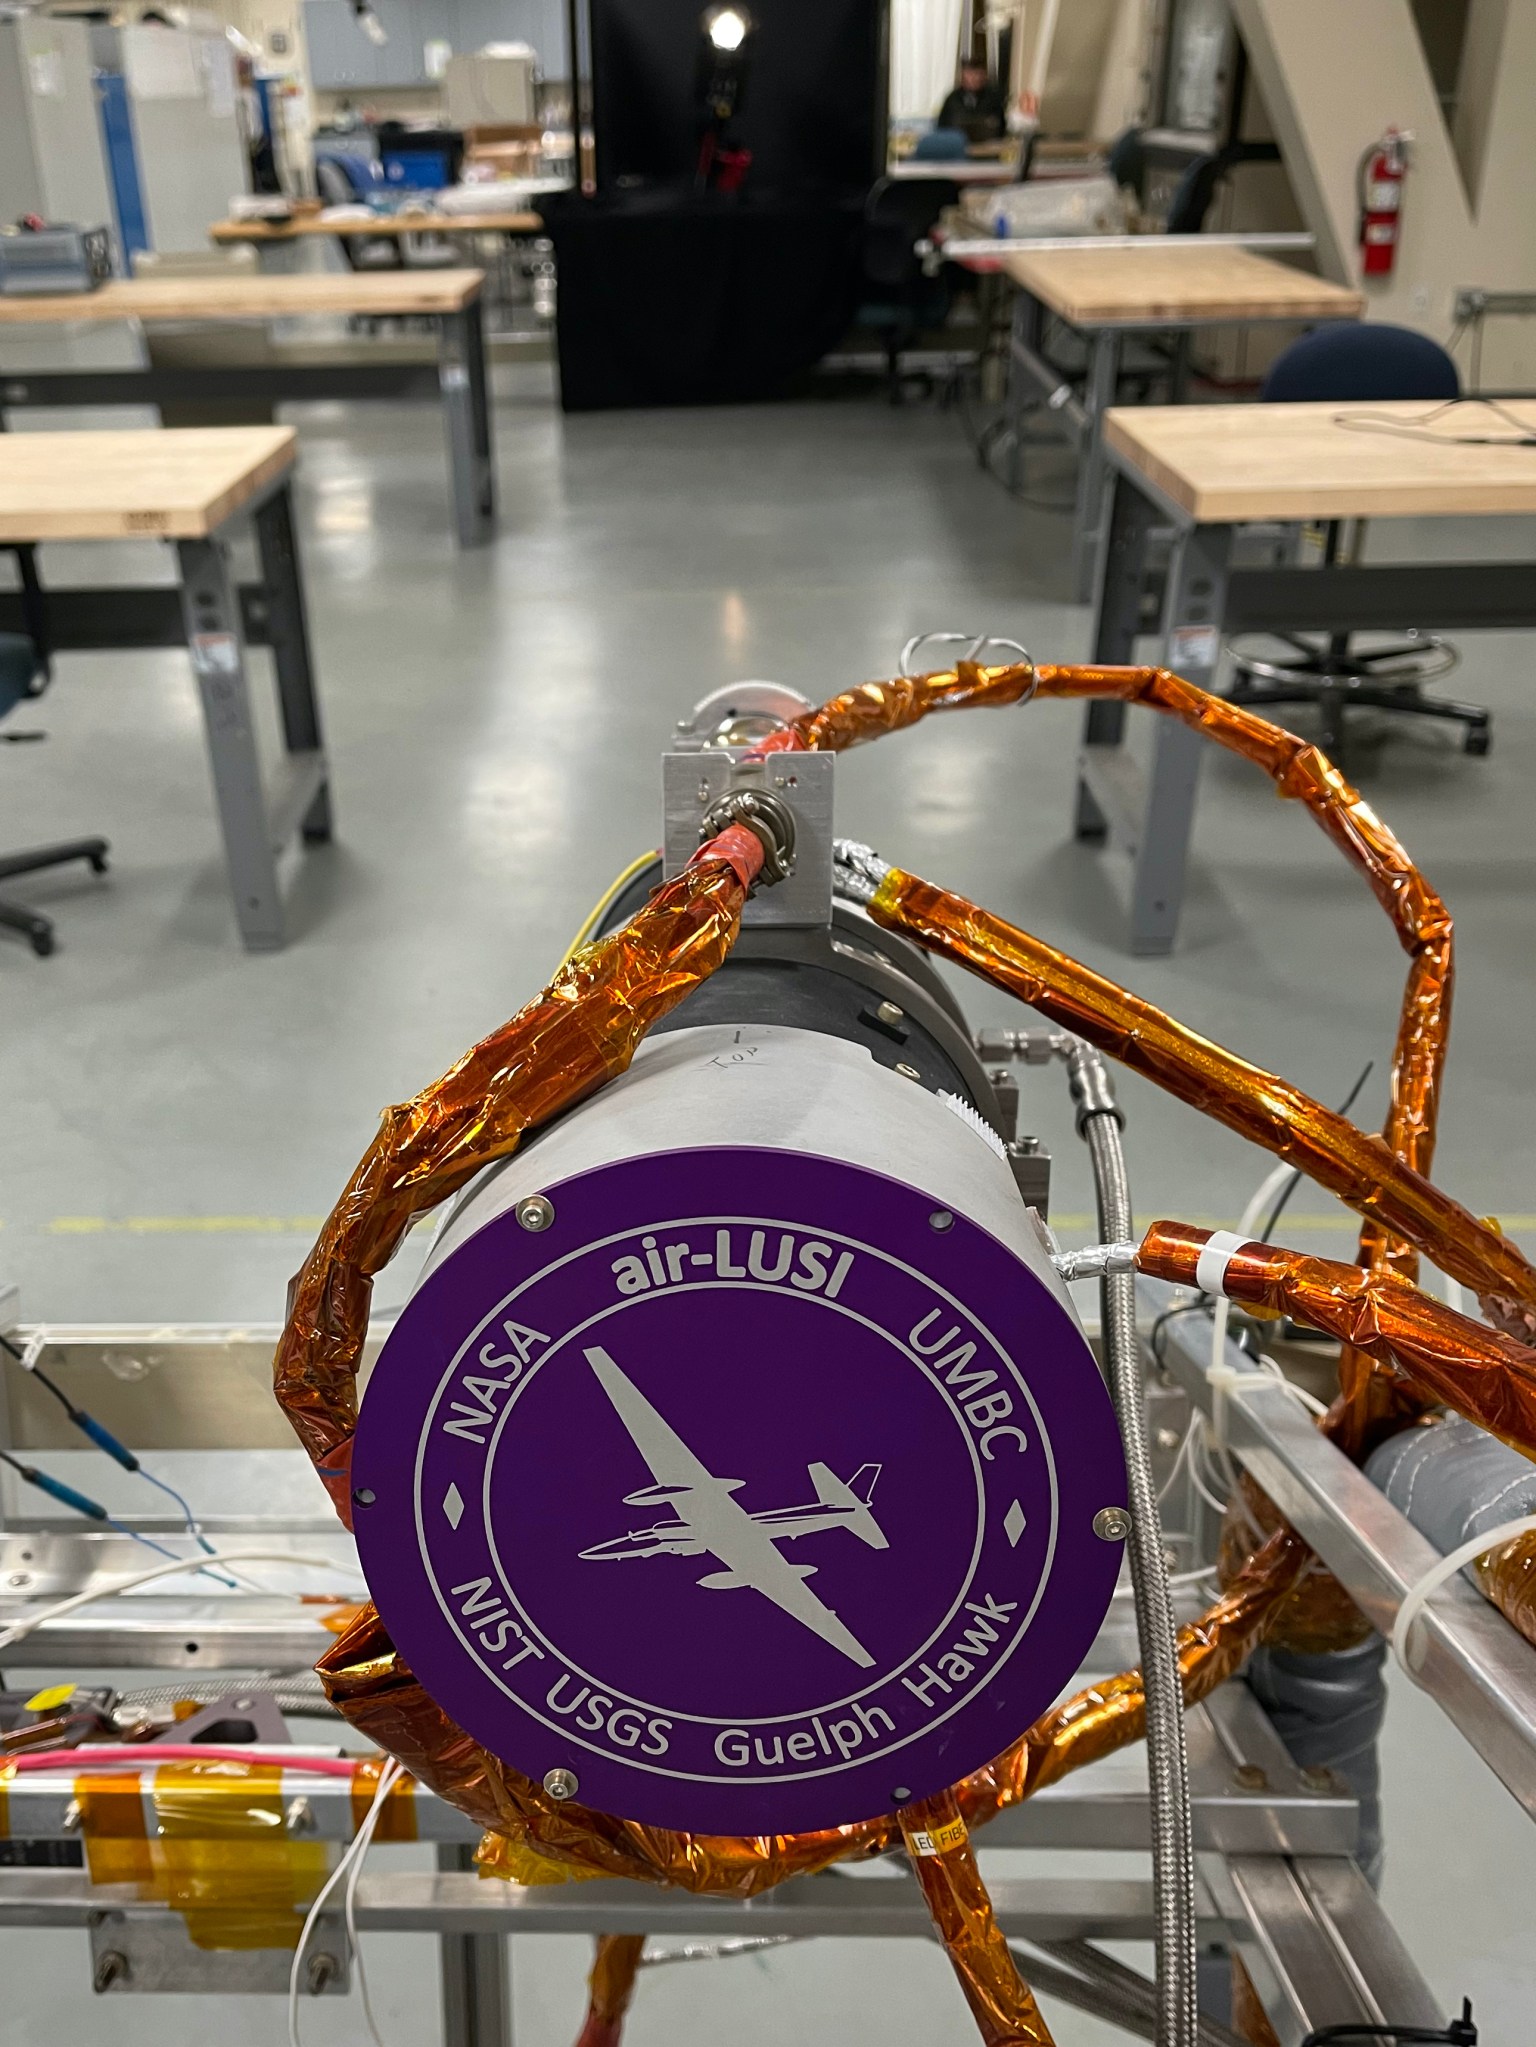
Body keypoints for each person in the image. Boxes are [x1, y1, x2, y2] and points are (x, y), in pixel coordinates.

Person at [936, 58, 1008, 145]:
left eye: (976, 74)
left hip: (986, 146)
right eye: (969, 74)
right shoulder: (952, 99)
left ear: (984, 76)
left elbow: (1000, 126)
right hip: (955, 146)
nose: (973, 78)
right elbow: (942, 126)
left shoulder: (993, 98)